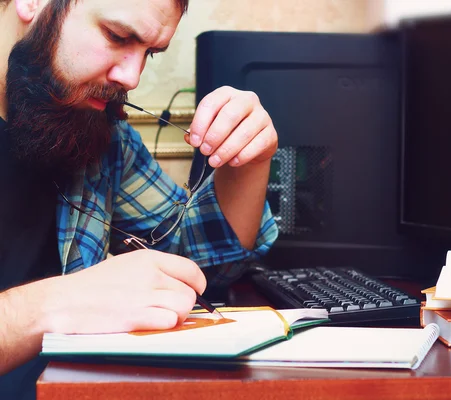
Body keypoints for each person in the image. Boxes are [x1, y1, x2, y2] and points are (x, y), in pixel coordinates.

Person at [0, 0, 279, 395]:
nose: (132, 77)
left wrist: (249, 160)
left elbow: (201, 267)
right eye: (117, 36)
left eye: (149, 52)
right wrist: (56, 305)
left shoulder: (98, 133)